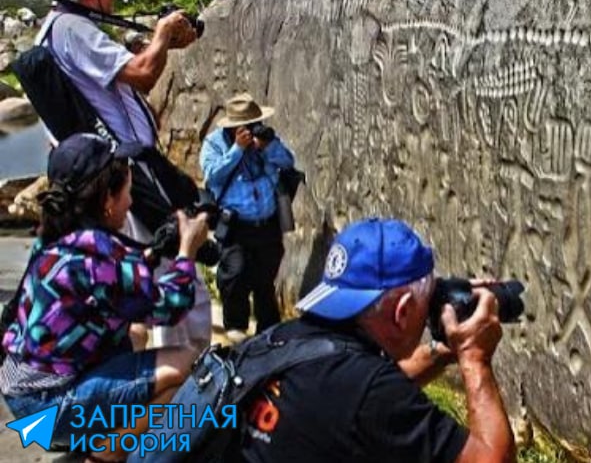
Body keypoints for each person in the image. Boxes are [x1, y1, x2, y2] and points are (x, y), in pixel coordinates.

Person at [0, 134, 210, 462]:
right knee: (190, 363)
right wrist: (187, 250)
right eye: (128, 191)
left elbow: (113, 291)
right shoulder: (98, 253)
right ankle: (104, 456)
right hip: (45, 412)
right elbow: (172, 307)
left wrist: (154, 251)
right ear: (108, 201)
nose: (130, 202)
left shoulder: (56, 234)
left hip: (20, 397)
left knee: (136, 335)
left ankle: (93, 434)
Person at [234, 218, 515, 462]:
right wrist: (473, 355)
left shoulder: (283, 340)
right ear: (402, 311)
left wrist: (444, 349)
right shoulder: (370, 393)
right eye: (427, 301)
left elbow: (357, 394)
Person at [37, 0, 213, 350]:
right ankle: (187, 377)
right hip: (126, 168)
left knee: (139, 270)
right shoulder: (73, 29)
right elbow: (143, 73)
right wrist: (163, 34)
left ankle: (154, 364)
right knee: (172, 266)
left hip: (111, 168)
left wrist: (162, 43)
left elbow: (126, 76)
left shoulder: (58, 28)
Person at [200, 94, 295, 343]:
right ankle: (236, 331)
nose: (251, 130)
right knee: (235, 274)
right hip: (236, 226)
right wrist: (237, 150)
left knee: (265, 278)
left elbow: (288, 162)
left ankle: (268, 334)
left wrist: (269, 146)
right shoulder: (214, 144)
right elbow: (213, 177)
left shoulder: (263, 140)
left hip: (266, 224)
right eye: (246, 126)